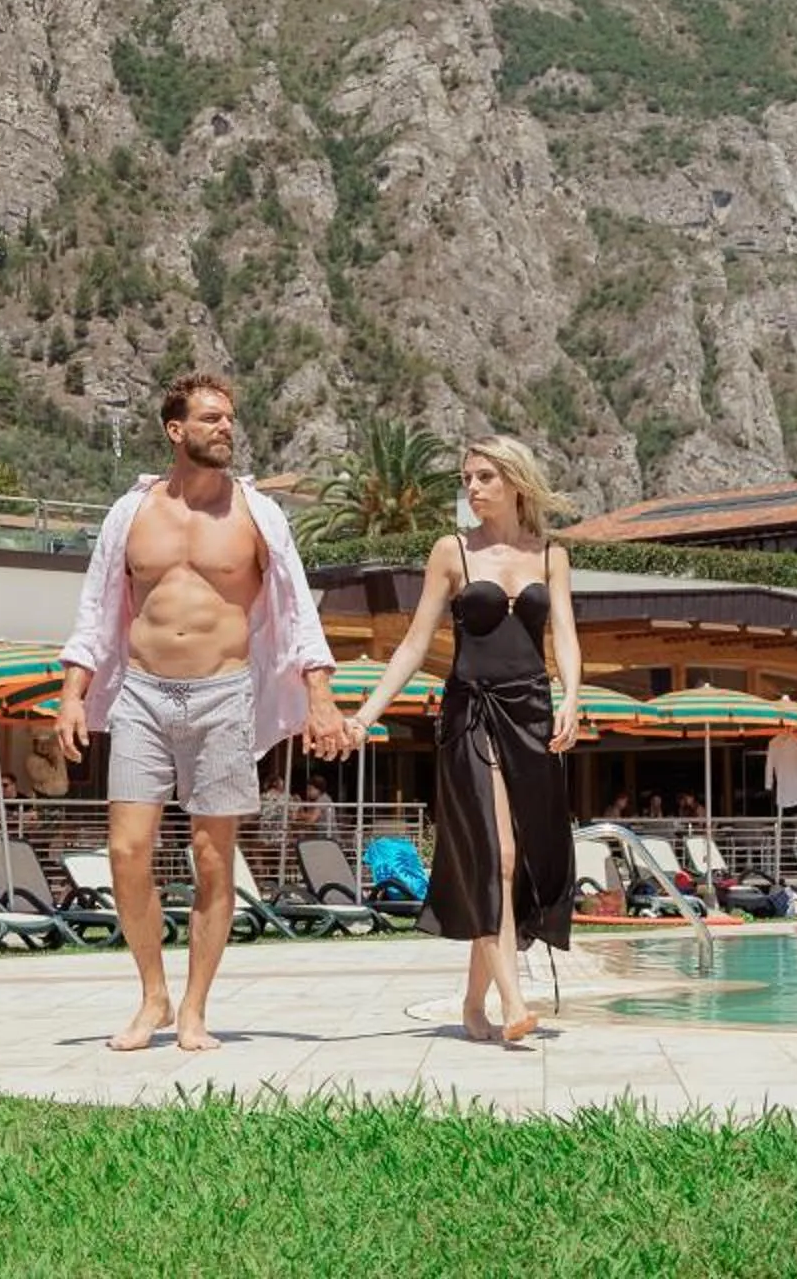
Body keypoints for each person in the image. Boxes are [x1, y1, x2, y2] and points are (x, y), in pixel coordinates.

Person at [56, 373, 351, 1052]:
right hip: (142, 694)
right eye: (212, 417)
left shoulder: (258, 514)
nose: (226, 427)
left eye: (230, 417)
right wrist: (73, 693)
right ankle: (151, 994)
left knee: (212, 859)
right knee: (127, 850)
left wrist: (321, 698)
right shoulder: (130, 513)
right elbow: (97, 610)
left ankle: (193, 1008)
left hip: (225, 697)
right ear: (175, 429)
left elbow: (297, 609)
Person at [350, 436, 583, 1045]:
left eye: (484, 477)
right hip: (470, 713)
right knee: (495, 855)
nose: (472, 489)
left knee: (518, 860)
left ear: (515, 481)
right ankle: (513, 1001)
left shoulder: (551, 555)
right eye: (467, 479)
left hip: (531, 713)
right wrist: (366, 713)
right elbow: (414, 642)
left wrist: (573, 699)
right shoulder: (451, 551)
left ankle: (473, 1003)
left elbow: (565, 634)